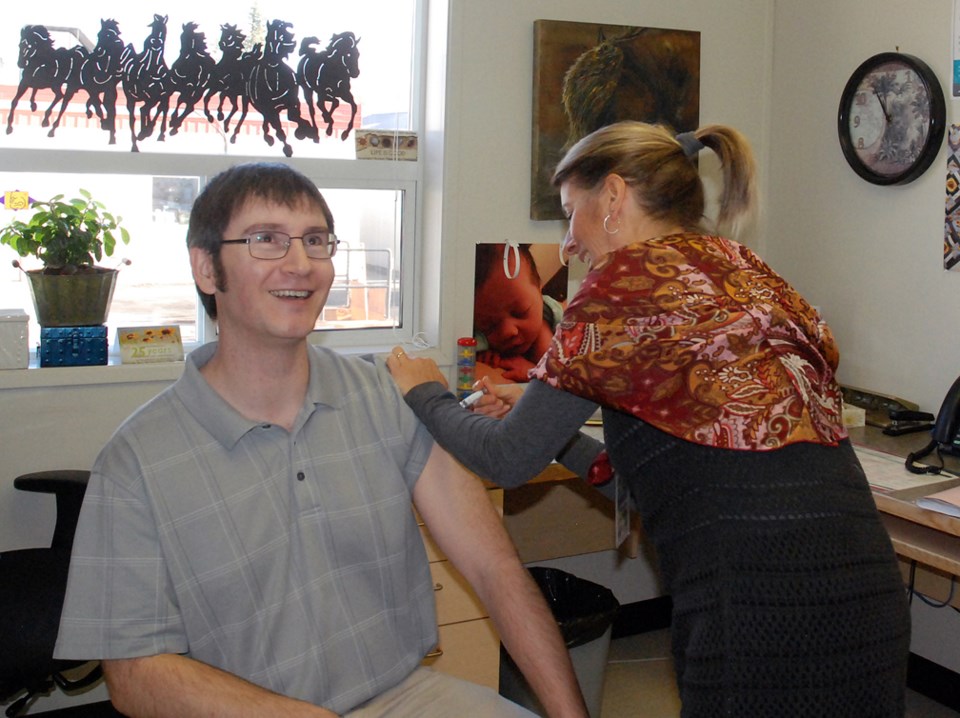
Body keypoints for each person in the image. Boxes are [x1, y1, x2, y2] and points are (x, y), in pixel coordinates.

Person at [388, 122, 911, 716]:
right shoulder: (746, 270)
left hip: (760, 612)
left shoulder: (622, 286)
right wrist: (549, 429)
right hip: (867, 593)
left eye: (569, 213)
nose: (567, 245)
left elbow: (507, 461)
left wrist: (423, 392)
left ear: (612, 198)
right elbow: (657, 484)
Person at [53, 162, 588, 718]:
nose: (301, 264)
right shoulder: (135, 461)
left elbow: (494, 569)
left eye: (315, 241)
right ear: (207, 268)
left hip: (403, 696)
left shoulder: (384, 398)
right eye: (266, 240)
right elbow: (135, 675)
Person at [472, 243, 564, 383]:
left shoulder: (544, 327)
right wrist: (482, 354)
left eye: (520, 312)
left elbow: (558, 377)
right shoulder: (476, 335)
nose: (508, 332)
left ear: (540, 290)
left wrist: (531, 372)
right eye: (490, 326)